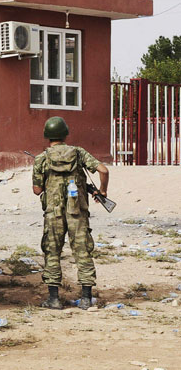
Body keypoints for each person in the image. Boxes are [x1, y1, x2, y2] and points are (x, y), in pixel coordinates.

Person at [32, 116, 109, 310]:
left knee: (52, 252)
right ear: (65, 134)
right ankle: (86, 299)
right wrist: (102, 191)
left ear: (47, 135)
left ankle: (54, 299)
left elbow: (37, 190)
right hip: (77, 212)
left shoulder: (42, 158)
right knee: (82, 252)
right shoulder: (78, 153)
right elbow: (103, 170)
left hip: (53, 214)